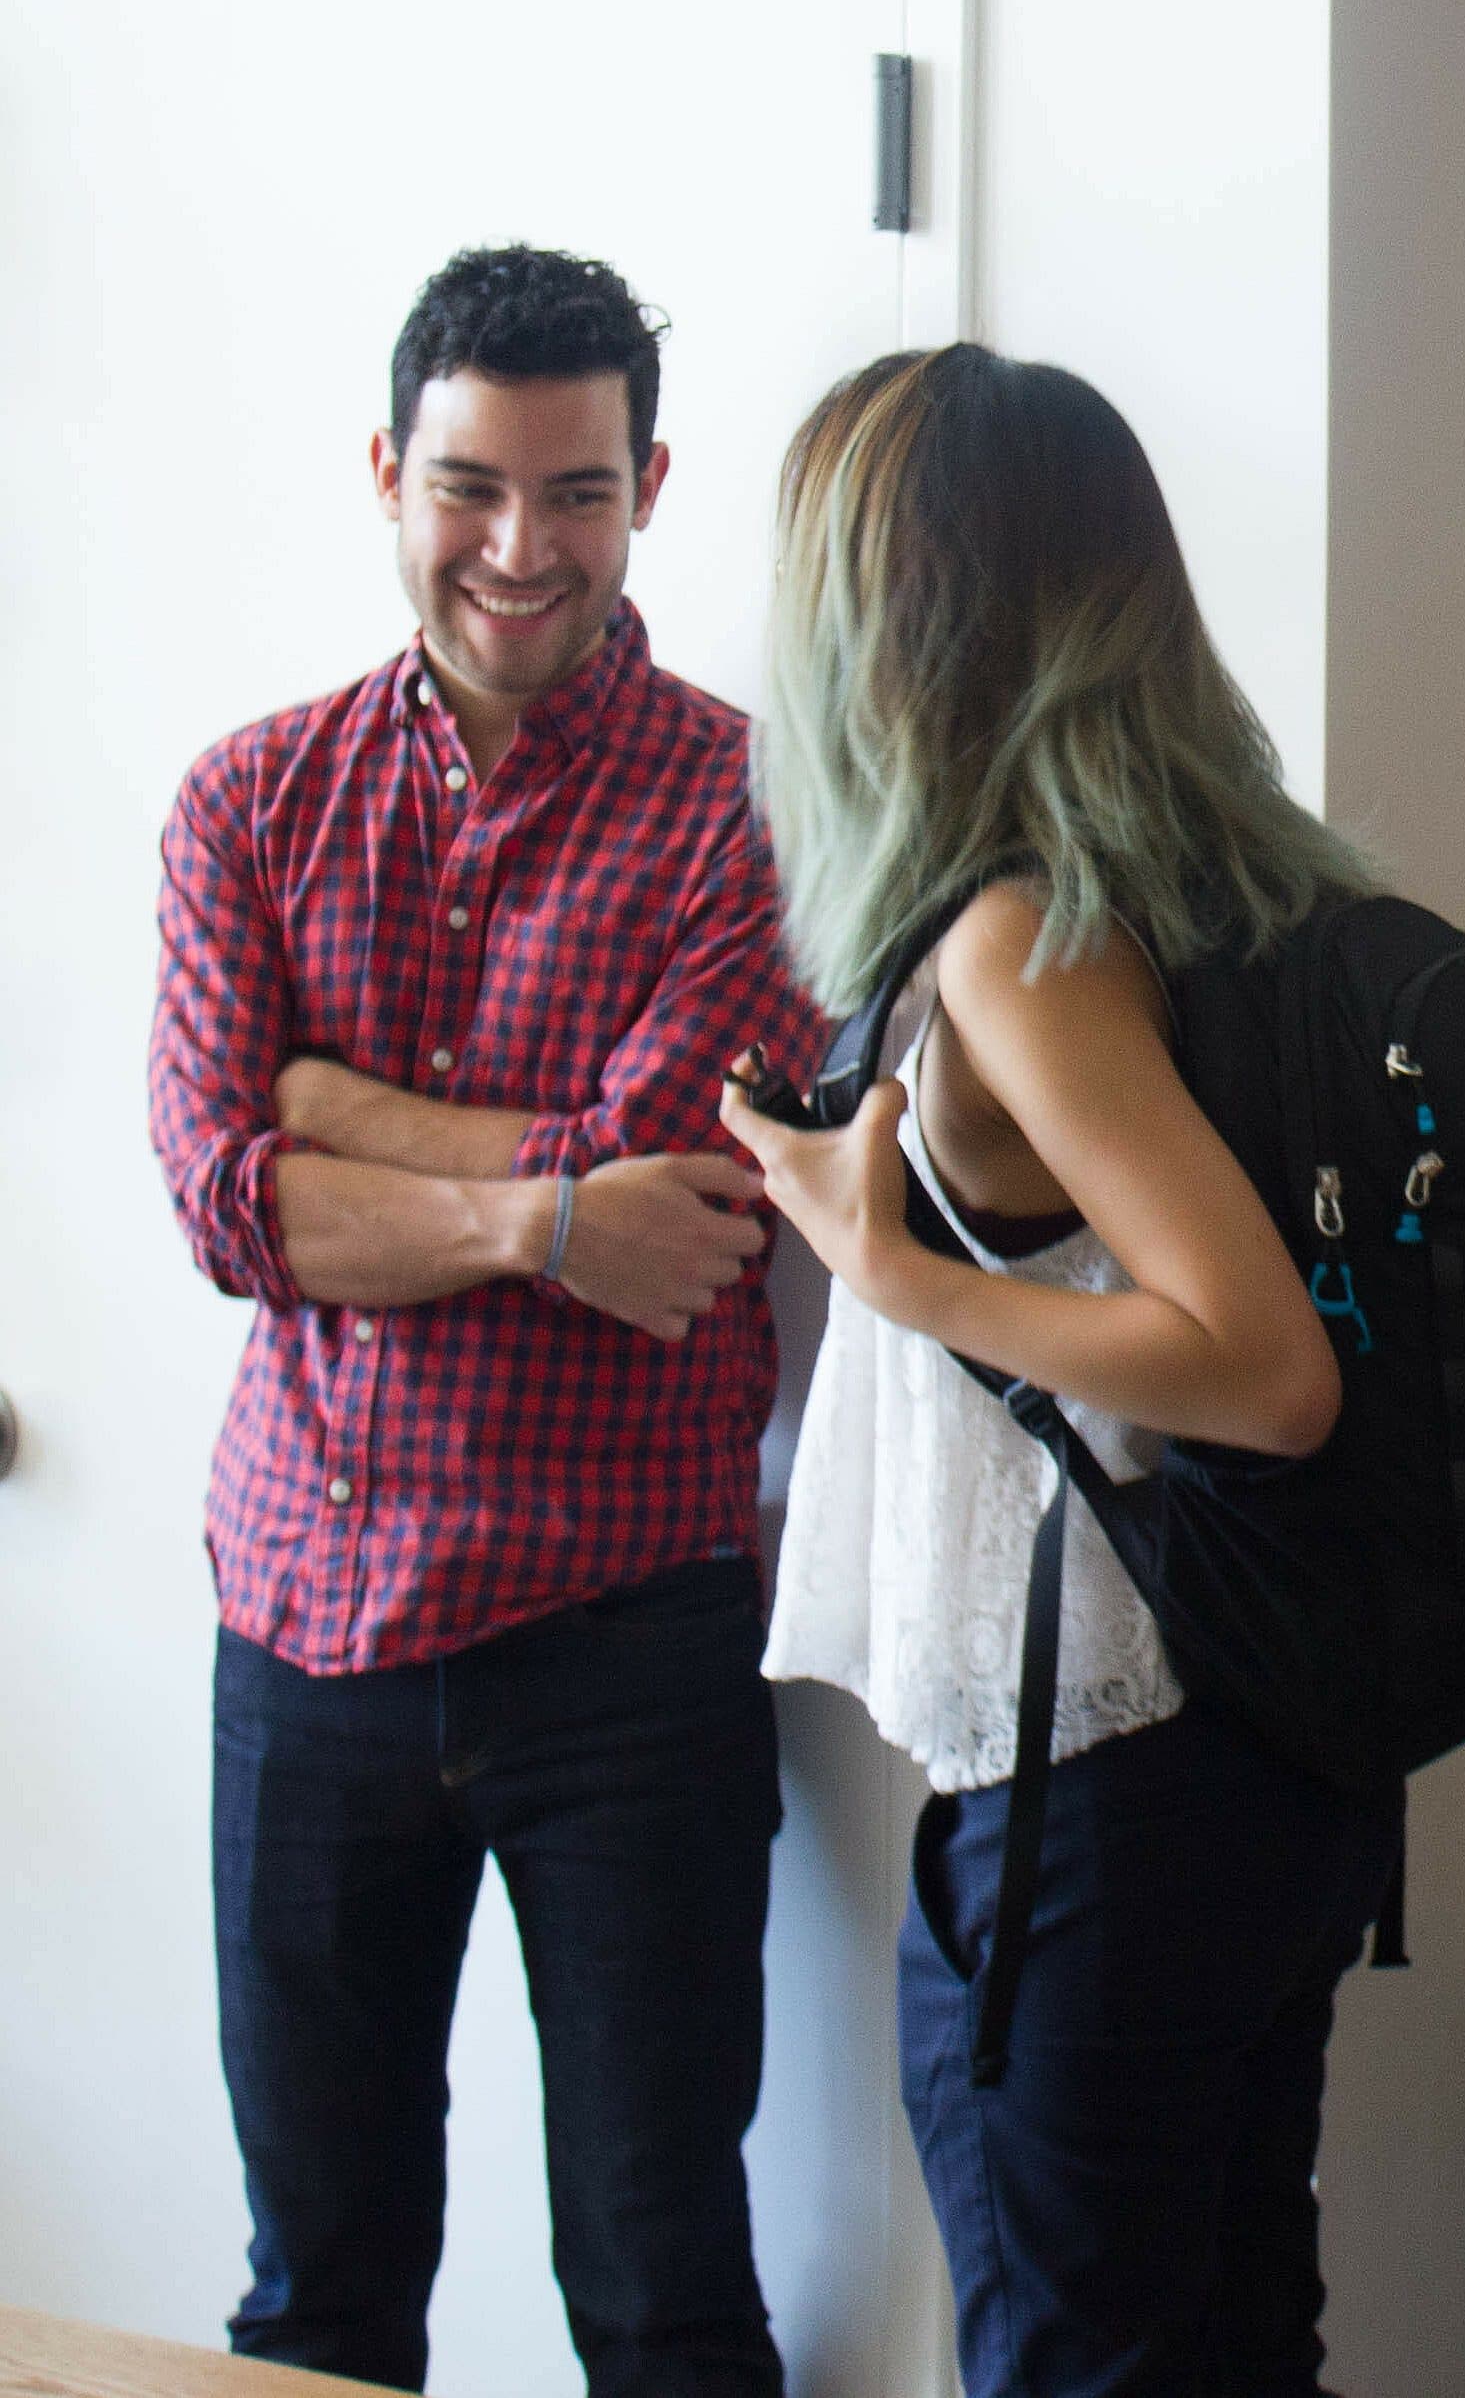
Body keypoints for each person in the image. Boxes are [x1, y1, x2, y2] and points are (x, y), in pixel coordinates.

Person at [147, 245, 810, 2394]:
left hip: (627, 1647)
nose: (522, 548)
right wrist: (541, 1212)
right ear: (386, 471)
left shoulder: (757, 811)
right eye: (470, 485)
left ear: (650, 487)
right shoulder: (251, 799)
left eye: (578, 491)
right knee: (315, 2294)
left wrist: (342, 1110)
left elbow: (679, 1207)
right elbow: (230, 1202)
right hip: (304, 1637)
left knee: (660, 2285)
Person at [720, 345, 1395, 2398]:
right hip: (1271, 1750)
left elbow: (1262, 1364)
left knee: (1076, 2353)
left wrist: (889, 1267)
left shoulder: (1020, 928)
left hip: (1100, 1770)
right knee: (1234, 2345)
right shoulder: (1243, 875)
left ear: (895, 605)